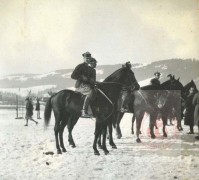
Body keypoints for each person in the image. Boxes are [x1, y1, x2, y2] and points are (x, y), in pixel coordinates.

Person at [71, 52, 97, 118]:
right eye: (86, 58)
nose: (88, 60)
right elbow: (73, 76)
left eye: (89, 58)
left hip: (87, 86)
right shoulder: (80, 66)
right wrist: (82, 77)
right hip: (80, 86)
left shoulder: (90, 68)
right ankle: (84, 110)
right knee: (90, 92)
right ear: (84, 58)